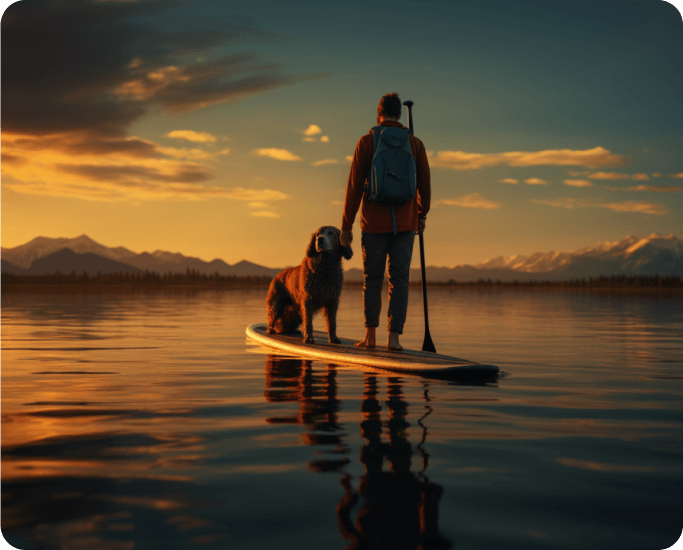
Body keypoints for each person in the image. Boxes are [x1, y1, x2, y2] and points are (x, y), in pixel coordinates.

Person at [340, 93, 431, 351]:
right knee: (399, 279)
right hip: (405, 223)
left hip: (373, 223)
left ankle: (370, 337)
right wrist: (421, 214)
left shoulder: (367, 142)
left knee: (372, 279)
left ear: (378, 112)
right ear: (399, 115)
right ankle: (394, 339)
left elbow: (354, 187)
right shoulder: (415, 144)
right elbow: (425, 183)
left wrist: (346, 225)